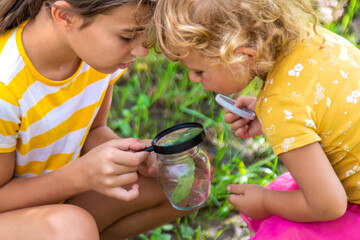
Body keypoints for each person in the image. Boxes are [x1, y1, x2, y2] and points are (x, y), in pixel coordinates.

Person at [151, 0, 360, 239]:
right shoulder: (314, 38)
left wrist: (265, 201)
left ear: (243, 55)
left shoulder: (281, 105)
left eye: (199, 71)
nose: (193, 79)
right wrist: (272, 115)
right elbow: (325, 104)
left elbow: (328, 204)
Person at [0, 1, 196, 239]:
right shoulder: (5, 89)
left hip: (54, 201)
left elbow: (94, 129)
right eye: (127, 37)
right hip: (14, 211)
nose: (142, 51)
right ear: (65, 16)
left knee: (181, 178)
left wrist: (133, 156)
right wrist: (80, 176)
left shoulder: (93, 57)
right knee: (73, 228)